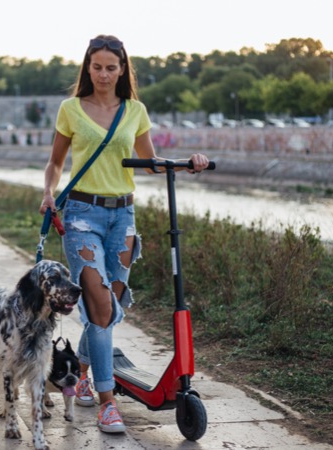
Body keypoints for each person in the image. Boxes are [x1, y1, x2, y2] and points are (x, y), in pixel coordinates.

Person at [39, 35, 210, 434]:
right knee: (100, 309)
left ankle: (81, 376)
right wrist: (48, 192)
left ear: (122, 70)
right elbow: (55, 161)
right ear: (88, 68)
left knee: (106, 312)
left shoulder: (135, 110)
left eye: (110, 67)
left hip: (123, 218)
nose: (103, 74)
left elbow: (150, 161)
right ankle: (107, 403)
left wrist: (188, 163)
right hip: (81, 214)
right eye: (96, 67)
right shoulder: (71, 109)